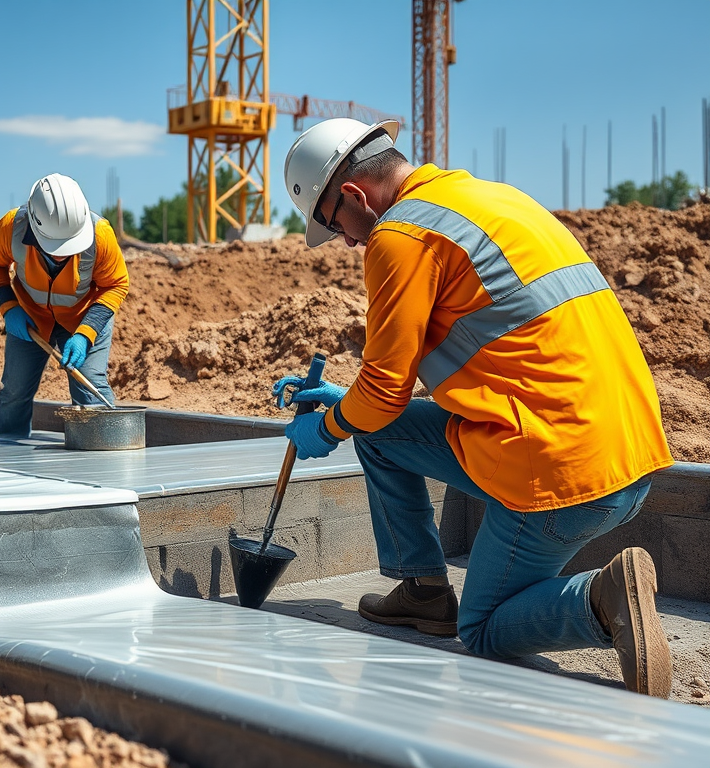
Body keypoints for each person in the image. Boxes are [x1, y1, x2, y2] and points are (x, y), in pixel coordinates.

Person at [275, 117, 674, 697]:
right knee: (381, 435)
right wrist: (353, 405)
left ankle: (600, 599)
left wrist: (331, 426)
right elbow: (476, 360)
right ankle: (422, 591)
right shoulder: (492, 199)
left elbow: (385, 390)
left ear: (356, 195)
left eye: (336, 224)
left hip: (561, 473)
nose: (348, 241)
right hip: (631, 456)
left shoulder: (398, 237)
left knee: (482, 629)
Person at [0, 173, 128, 438]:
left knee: (90, 388)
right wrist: (9, 307)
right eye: (54, 247)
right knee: (15, 390)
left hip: (85, 317)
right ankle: (8, 453)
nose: (62, 254)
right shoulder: (12, 227)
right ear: (35, 228)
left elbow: (115, 285)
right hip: (30, 317)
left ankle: (104, 455)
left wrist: (85, 333)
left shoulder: (100, 234)